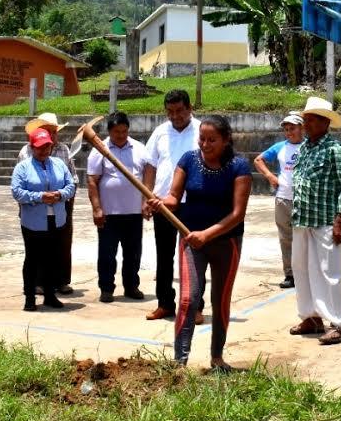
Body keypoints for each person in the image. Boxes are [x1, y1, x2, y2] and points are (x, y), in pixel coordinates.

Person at [147, 115, 252, 370]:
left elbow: (237, 213)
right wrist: (161, 203)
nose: (205, 144)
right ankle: (179, 363)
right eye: (202, 139)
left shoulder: (239, 166)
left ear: (226, 140)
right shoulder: (189, 160)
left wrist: (208, 234)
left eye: (212, 140)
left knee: (220, 300)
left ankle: (217, 358)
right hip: (191, 241)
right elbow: (174, 196)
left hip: (226, 243)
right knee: (188, 299)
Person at [288, 97, 341, 345]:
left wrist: (340, 221)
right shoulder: (305, 148)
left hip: (326, 219)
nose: (305, 124)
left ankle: (336, 323)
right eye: (304, 120)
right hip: (302, 219)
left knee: (328, 272)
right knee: (301, 269)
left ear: (325, 122)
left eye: (310, 120)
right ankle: (311, 317)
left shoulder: (336, 150)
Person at [143, 89, 202, 322]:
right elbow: (150, 166)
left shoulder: (201, 130)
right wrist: (147, 197)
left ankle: (196, 306)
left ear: (189, 108)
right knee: (164, 256)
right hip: (163, 203)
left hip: (193, 203)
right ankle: (165, 304)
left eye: (179, 111)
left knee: (194, 257)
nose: (175, 116)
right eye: (170, 112)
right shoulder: (160, 132)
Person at [86, 111, 152, 302]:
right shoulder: (99, 149)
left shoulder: (139, 148)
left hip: (133, 213)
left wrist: (146, 200)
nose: (121, 135)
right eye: (116, 132)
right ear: (109, 131)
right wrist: (97, 209)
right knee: (107, 254)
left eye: (124, 131)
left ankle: (131, 286)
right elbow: (92, 181)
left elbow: (148, 171)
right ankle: (106, 288)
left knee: (133, 254)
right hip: (109, 214)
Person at [12, 127, 76, 311]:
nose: (44, 151)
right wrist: (39, 197)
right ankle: (30, 298)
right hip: (33, 221)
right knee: (32, 259)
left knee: (53, 258)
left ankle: (50, 295)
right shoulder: (23, 167)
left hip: (56, 219)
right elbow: (17, 192)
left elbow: (71, 185)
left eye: (47, 147)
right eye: (40, 147)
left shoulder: (58, 164)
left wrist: (59, 194)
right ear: (32, 147)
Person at [253, 111, 304, 288]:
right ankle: (290, 274)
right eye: (286, 129)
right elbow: (258, 160)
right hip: (283, 199)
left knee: (305, 237)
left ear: (302, 128)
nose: (289, 132)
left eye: (293, 128)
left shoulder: (310, 146)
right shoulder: (280, 147)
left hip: (304, 200)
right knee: (286, 238)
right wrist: (270, 177)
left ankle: (307, 273)